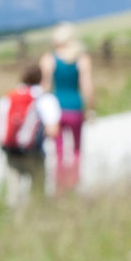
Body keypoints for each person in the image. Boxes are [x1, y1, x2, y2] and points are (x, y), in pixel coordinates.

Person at [39, 22, 95, 191]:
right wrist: (91, 107)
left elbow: (45, 87)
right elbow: (87, 86)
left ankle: (60, 186)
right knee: (77, 148)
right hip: (75, 107)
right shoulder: (81, 58)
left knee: (59, 150)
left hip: (56, 109)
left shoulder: (49, 58)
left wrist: (41, 110)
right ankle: (74, 183)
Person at [0, 64, 61, 201]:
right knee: (38, 190)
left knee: (13, 193)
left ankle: (14, 219)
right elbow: (53, 129)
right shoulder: (43, 98)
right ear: (41, 78)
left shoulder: (9, 97)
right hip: (34, 151)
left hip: (11, 150)